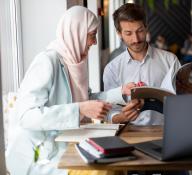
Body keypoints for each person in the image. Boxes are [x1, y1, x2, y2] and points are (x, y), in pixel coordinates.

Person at [6, 6, 141, 175]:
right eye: (92, 35)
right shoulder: (47, 62)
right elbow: (26, 117)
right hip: (41, 155)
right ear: (76, 33)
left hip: (69, 143)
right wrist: (79, 110)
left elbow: (87, 98)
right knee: (105, 171)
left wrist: (121, 91)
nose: (95, 42)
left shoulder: (74, 62)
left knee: (117, 166)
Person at [103, 3, 189, 175]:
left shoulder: (170, 60)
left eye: (140, 30)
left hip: (168, 135)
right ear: (119, 33)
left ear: (146, 27)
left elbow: (184, 105)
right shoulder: (112, 69)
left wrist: (187, 93)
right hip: (130, 138)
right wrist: (122, 116)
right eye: (128, 33)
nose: (136, 39)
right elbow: (108, 114)